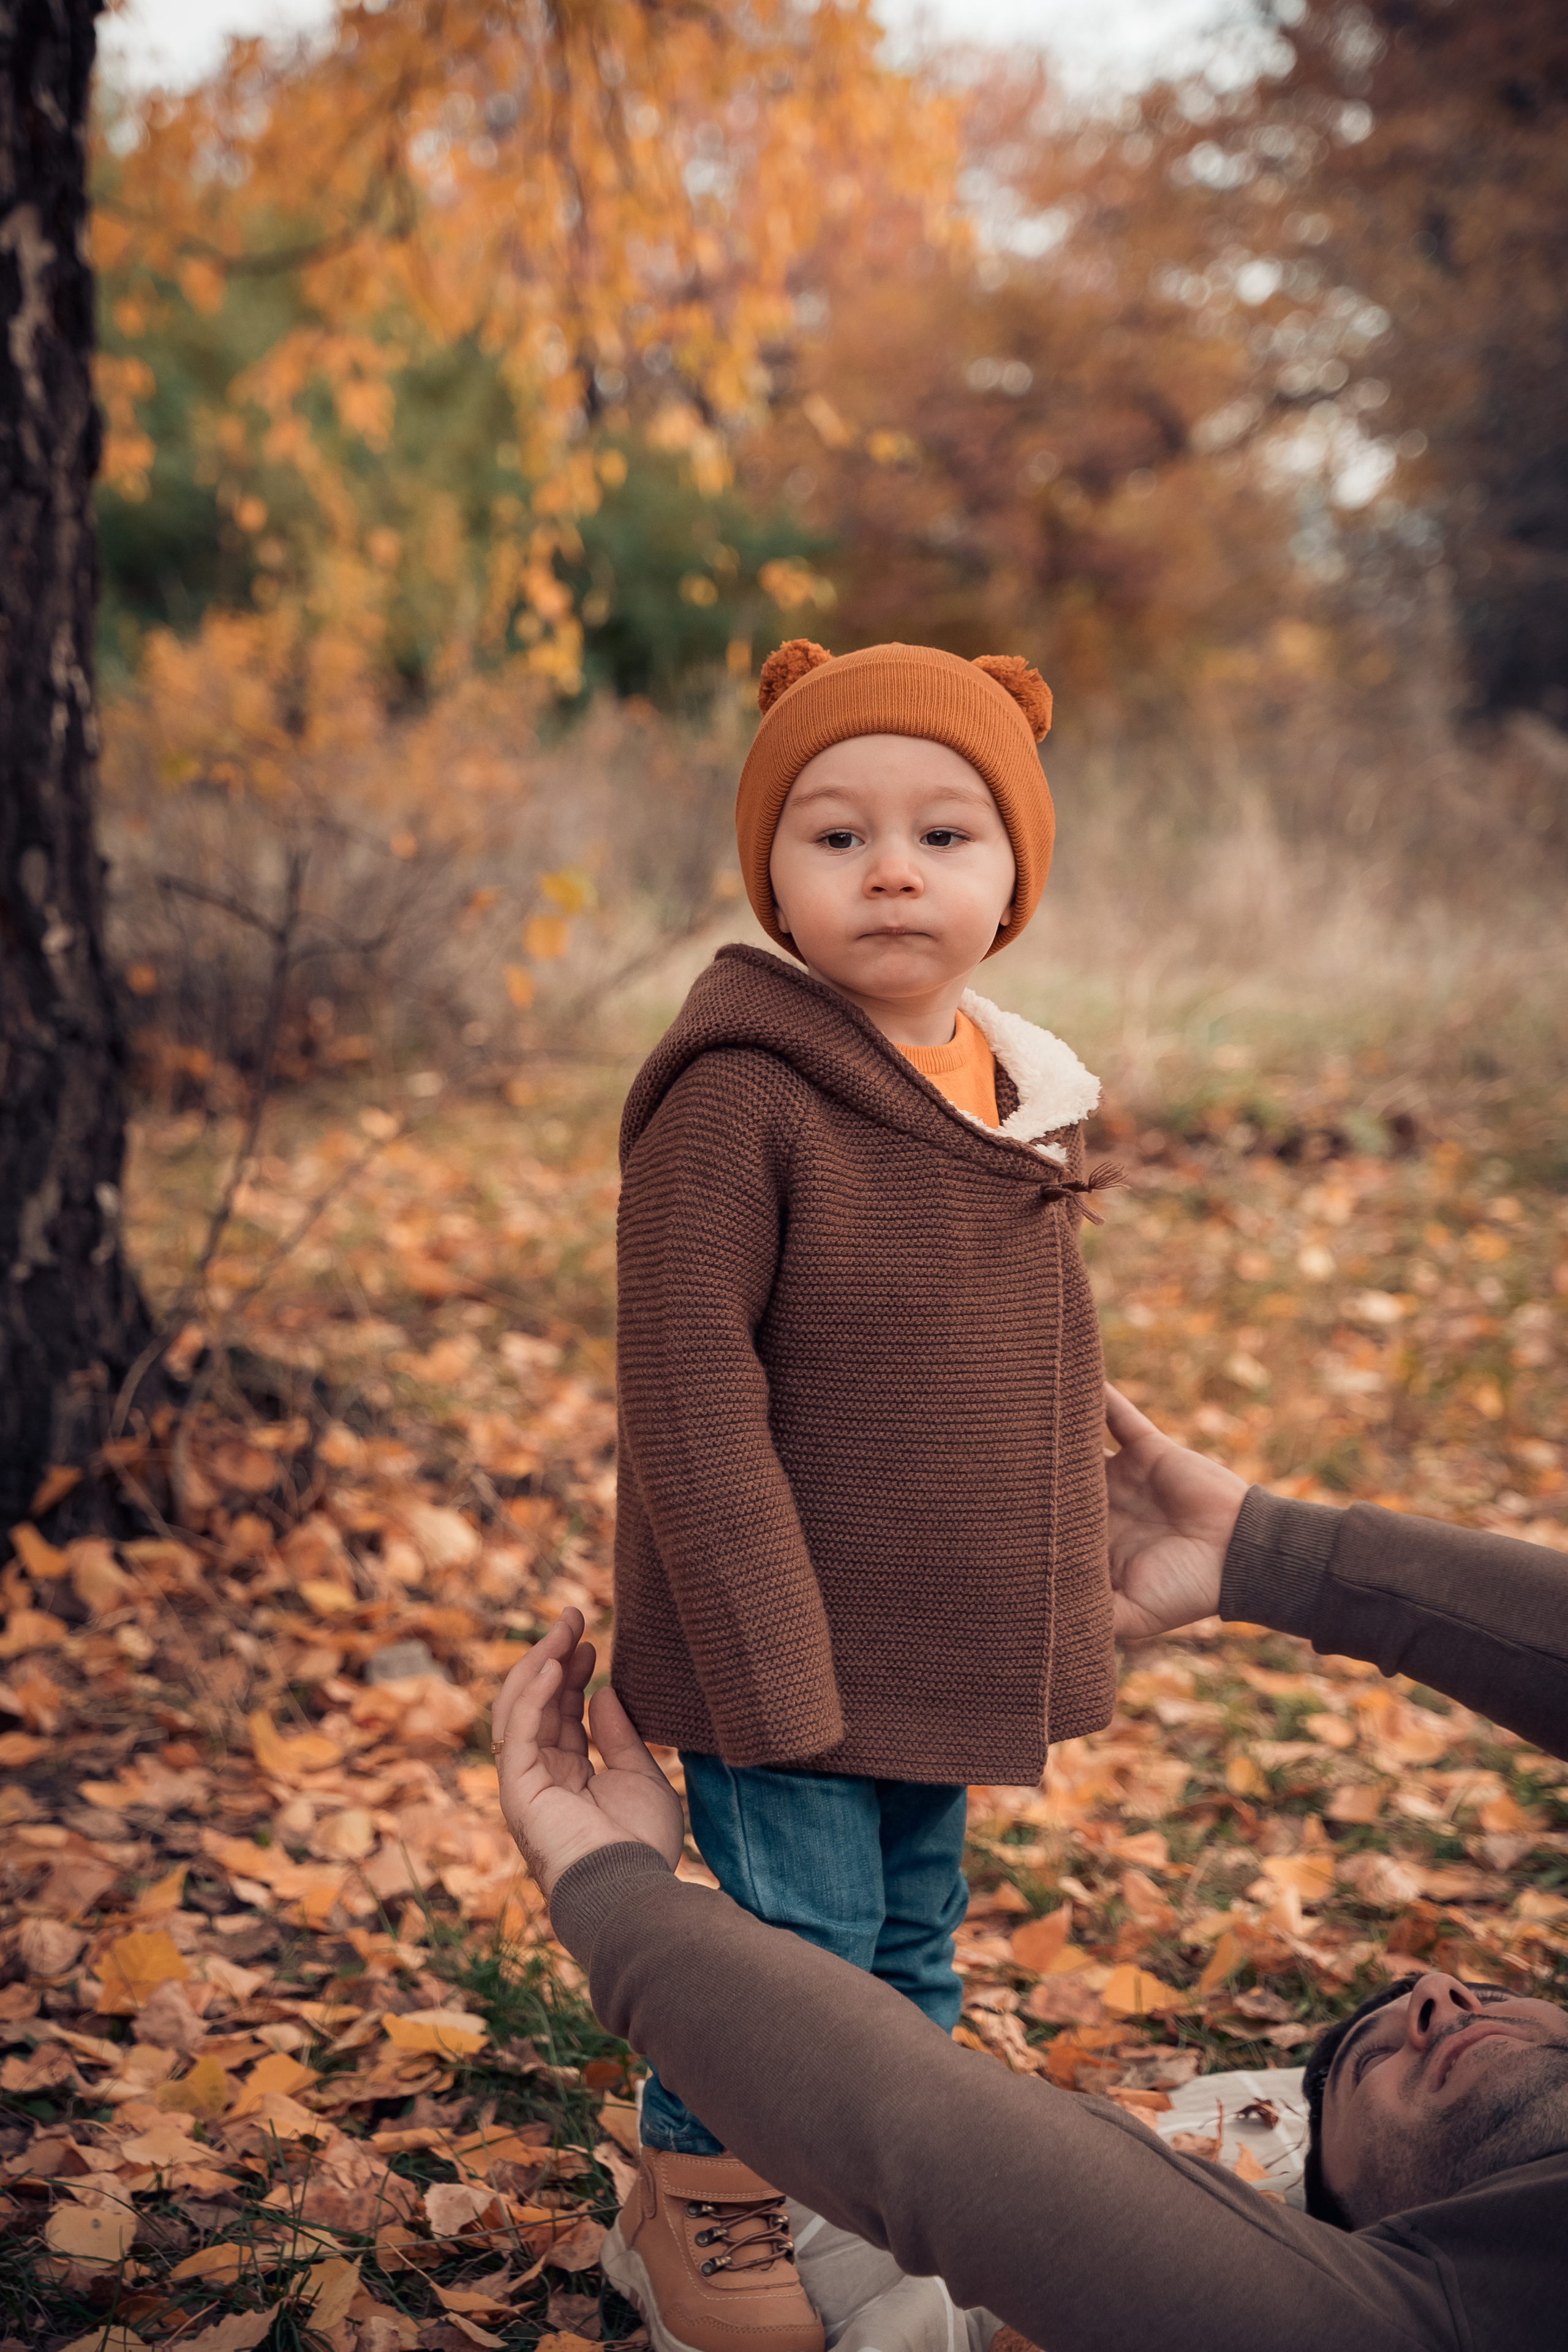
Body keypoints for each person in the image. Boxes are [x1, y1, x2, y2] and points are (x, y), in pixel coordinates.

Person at [492, 1386, 1568, 2352]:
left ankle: (699, 2177)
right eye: (1477, 1987)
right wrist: (1266, 1549)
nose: (1436, 1993)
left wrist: (622, 1901)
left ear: (1335, 2240)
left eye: (1372, 2064)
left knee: (878, 1946)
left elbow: (956, 2143)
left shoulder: (1424, 2316)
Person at [606, 636, 1120, 2352]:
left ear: (1012, 881)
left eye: (945, 835)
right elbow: (688, 1389)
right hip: (787, 1633)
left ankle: (878, 2201)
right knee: (793, 1946)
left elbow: (1020, 1381)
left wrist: (1064, 1608)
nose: (892, 867)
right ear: (772, 872)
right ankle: (702, 2218)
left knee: (911, 1940)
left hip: (936, 1635)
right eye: (836, 836)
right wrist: (761, 1657)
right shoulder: (741, 1097)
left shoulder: (1015, 1097)